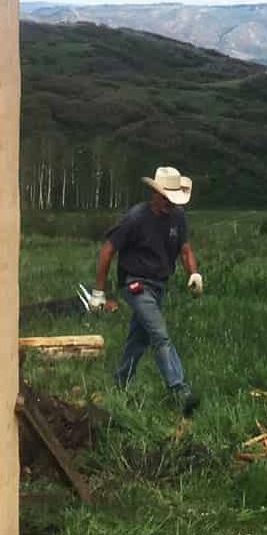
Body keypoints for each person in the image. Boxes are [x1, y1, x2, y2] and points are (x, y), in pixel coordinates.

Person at [89, 165, 204, 415]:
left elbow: (185, 249)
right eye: (165, 198)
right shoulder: (135, 218)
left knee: (138, 339)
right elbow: (107, 251)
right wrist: (99, 292)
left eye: (173, 200)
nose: (169, 204)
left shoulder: (177, 217)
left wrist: (193, 273)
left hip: (159, 285)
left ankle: (120, 384)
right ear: (155, 193)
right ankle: (179, 390)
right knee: (159, 334)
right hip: (135, 283)